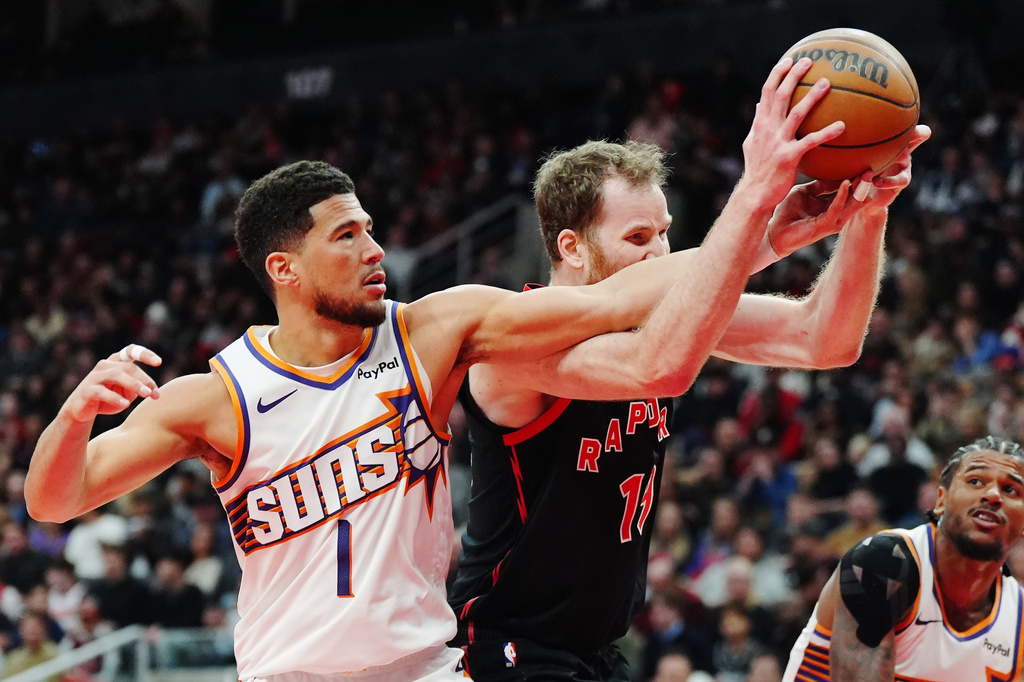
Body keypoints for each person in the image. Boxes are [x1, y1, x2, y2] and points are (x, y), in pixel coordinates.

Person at [23, 60, 843, 682]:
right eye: (346, 237)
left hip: (431, 668)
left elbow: (620, 302)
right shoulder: (217, 396)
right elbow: (56, 498)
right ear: (285, 269)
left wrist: (765, 228)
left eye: (372, 228)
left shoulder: (433, 332)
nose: (376, 249)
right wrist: (71, 418)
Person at [448, 60, 931, 681]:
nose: (660, 255)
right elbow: (659, 368)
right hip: (508, 646)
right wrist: (758, 203)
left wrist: (868, 212)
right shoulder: (513, 337)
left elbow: (824, 339)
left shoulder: (672, 319)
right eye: (638, 236)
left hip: (597, 650)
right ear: (571, 247)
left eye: (666, 234)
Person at [782, 436, 1024, 682]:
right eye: (975, 481)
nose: (993, 495)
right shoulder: (884, 563)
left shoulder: (1019, 619)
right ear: (941, 500)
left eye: (1011, 489)